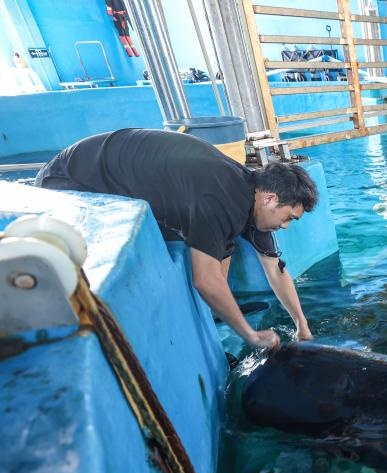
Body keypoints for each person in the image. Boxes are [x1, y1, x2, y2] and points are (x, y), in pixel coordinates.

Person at [36, 128, 318, 350]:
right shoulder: (220, 198)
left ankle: (219, 310)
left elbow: (276, 270)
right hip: (69, 181)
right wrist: (249, 334)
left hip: (110, 162)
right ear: (270, 198)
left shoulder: (251, 194)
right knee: (202, 241)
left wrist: (301, 325)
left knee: (219, 239)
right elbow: (205, 279)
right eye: (289, 218)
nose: (286, 226)